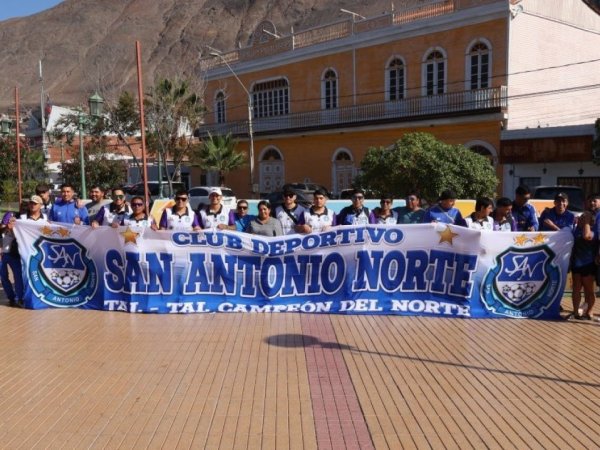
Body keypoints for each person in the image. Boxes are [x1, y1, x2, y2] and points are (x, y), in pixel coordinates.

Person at [569, 204, 596, 320]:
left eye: (585, 217)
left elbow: (587, 236)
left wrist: (587, 223)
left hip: (588, 263)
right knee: (576, 288)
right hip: (577, 263)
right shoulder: (576, 230)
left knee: (589, 290)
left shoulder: (594, 231)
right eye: (582, 217)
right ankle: (575, 312)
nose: (582, 218)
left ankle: (589, 311)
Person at [0, 201, 28, 306]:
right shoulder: (10, 216)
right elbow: (2, 228)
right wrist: (6, 227)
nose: (24, 210)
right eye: (22, 207)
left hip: (14, 254)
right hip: (2, 253)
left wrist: (13, 230)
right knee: (3, 277)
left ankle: (20, 298)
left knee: (18, 276)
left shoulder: (25, 222)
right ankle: (11, 297)